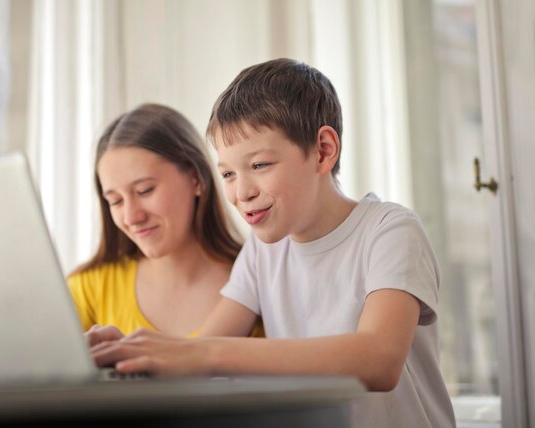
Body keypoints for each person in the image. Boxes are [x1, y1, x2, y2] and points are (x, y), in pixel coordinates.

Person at [87, 59, 456, 427]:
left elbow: (379, 360)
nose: (241, 192)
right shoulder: (262, 252)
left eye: (260, 165)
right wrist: (131, 354)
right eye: (229, 173)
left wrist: (204, 354)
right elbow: (200, 352)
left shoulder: (390, 231)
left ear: (324, 150)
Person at [67, 103, 264, 340]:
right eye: (116, 201)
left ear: (195, 179)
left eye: (145, 190)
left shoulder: (261, 282)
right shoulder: (87, 289)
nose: (131, 217)